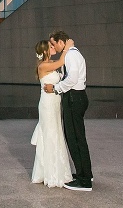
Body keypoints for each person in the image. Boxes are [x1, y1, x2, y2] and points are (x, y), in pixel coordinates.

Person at [44, 30, 93, 191]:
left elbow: (71, 79)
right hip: (78, 97)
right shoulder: (74, 53)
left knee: (74, 138)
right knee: (78, 137)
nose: (53, 47)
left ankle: (84, 180)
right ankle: (85, 173)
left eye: (53, 44)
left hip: (74, 98)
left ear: (61, 42)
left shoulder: (71, 55)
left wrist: (56, 89)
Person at [31, 38, 73, 187]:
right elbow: (61, 62)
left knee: (57, 133)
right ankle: (51, 174)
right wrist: (67, 47)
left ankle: (58, 171)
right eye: (50, 46)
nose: (53, 47)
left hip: (55, 103)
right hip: (47, 105)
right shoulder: (43, 66)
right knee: (51, 135)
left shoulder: (49, 65)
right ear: (45, 51)